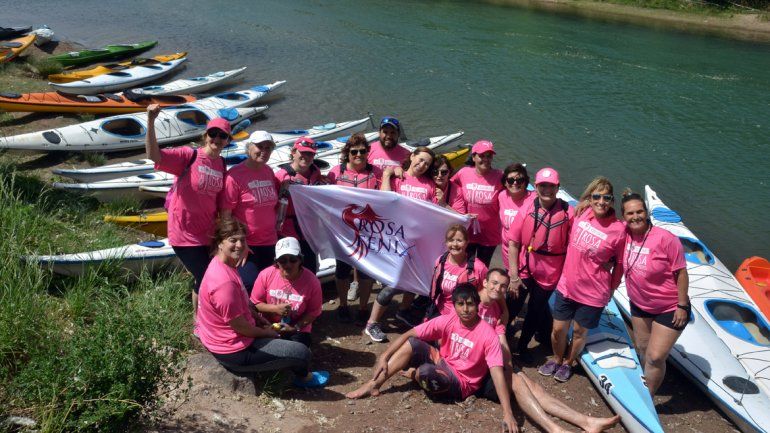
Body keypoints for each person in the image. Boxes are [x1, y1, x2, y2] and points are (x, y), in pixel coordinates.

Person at [345, 284, 518, 433]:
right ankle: (374, 385)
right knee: (413, 343)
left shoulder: (488, 334)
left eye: (470, 304)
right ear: (454, 305)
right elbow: (410, 333)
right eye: (460, 304)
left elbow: (497, 373)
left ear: (477, 305)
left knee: (425, 372)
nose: (465, 309)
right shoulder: (449, 320)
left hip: (461, 383)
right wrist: (385, 355)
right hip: (443, 362)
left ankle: (414, 374)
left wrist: (507, 413)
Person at [478, 272, 621, 433]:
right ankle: (555, 430)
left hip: (494, 360)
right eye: (494, 283)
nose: (498, 288)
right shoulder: (470, 305)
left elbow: (502, 341)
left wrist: (509, 368)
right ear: (484, 282)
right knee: (518, 382)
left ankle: (586, 421)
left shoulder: (497, 309)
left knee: (533, 387)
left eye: (503, 286)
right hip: (479, 370)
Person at [197, 217, 328, 388]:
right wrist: (266, 333)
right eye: (233, 240)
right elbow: (241, 327)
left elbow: (246, 305)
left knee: (297, 343)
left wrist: (259, 319)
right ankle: (304, 379)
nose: (239, 245)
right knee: (302, 353)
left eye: (243, 240)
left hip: (229, 337)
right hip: (234, 349)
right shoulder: (225, 283)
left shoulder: (225, 265)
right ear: (219, 243)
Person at [144, 103, 227, 321]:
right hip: (184, 233)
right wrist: (150, 120)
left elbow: (218, 200)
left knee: (205, 276)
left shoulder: (222, 164)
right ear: (205, 136)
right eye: (213, 133)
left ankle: (203, 318)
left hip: (208, 233)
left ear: (227, 140)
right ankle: (201, 321)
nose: (217, 139)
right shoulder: (188, 156)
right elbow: (154, 155)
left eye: (223, 136)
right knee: (206, 275)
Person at [540, 177, 626, 383]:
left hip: (593, 292)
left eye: (607, 198)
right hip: (567, 285)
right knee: (558, 330)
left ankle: (568, 363)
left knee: (579, 332)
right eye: (597, 196)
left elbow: (620, 263)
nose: (601, 202)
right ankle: (557, 358)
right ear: (590, 197)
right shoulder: (581, 213)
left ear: (612, 201)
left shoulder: (619, 229)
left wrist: (612, 288)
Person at [363, 146, 438, 342]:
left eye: (427, 163)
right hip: (395, 242)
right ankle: (372, 323)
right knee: (393, 283)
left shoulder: (429, 184)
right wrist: (387, 174)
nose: (422, 165)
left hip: (417, 241)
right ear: (412, 156)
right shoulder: (398, 177)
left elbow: (433, 213)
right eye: (420, 159)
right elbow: (384, 200)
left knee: (413, 280)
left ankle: (403, 312)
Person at [621, 189, 689, 395]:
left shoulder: (666, 239)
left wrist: (682, 305)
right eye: (630, 213)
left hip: (669, 307)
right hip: (639, 304)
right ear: (624, 217)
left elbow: (681, 273)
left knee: (655, 356)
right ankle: (647, 380)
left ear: (647, 212)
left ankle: (647, 398)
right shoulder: (623, 234)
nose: (635, 217)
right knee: (642, 349)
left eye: (639, 211)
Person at [507, 167, 574, 363]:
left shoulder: (569, 213)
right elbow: (513, 243)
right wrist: (513, 276)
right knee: (512, 305)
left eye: (551, 186)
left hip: (550, 274)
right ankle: (498, 338)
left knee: (535, 311)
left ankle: (522, 347)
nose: (547, 190)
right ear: (536, 187)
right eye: (542, 185)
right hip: (526, 268)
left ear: (558, 187)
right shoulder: (527, 209)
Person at [327, 133, 383, 324]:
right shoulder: (335, 172)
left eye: (362, 151)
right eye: (354, 151)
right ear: (347, 153)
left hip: (367, 232)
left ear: (368, 153)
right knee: (342, 270)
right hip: (342, 231)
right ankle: (343, 305)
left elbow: (387, 195)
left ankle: (363, 308)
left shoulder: (376, 172)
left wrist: (395, 171)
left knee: (366, 273)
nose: (358, 154)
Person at [220, 131, 280, 291]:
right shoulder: (234, 175)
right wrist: (239, 244)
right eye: (260, 146)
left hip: (270, 241)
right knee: (249, 283)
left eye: (268, 148)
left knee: (269, 283)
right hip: (247, 243)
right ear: (249, 148)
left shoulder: (268, 171)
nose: (264, 151)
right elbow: (226, 215)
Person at [251, 237, 323, 348]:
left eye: (293, 260)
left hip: (297, 327)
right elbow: (255, 303)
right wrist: (275, 309)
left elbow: (313, 312)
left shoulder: (312, 281)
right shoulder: (265, 275)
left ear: (300, 260)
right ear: (276, 262)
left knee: (297, 350)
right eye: (283, 260)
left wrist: (295, 327)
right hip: (267, 325)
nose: (288, 265)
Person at [275, 137, 326, 274]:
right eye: (303, 153)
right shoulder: (282, 176)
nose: (306, 157)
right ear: (293, 152)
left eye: (310, 154)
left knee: (310, 270)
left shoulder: (315, 172)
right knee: (289, 271)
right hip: (288, 232)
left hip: (309, 232)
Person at [449, 140, 503, 267]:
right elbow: (449, 185)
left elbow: (515, 190)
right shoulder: (464, 173)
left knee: (483, 268)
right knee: (464, 265)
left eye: (489, 156)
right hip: (467, 231)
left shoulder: (500, 176)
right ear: (473, 157)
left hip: (490, 234)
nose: (486, 159)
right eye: (482, 156)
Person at [430, 224, 488, 318]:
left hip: (465, 315)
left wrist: (504, 310)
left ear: (467, 242)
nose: (455, 244)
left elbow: (491, 290)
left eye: (459, 240)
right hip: (440, 311)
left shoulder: (479, 267)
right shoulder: (440, 261)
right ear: (446, 242)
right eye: (451, 240)